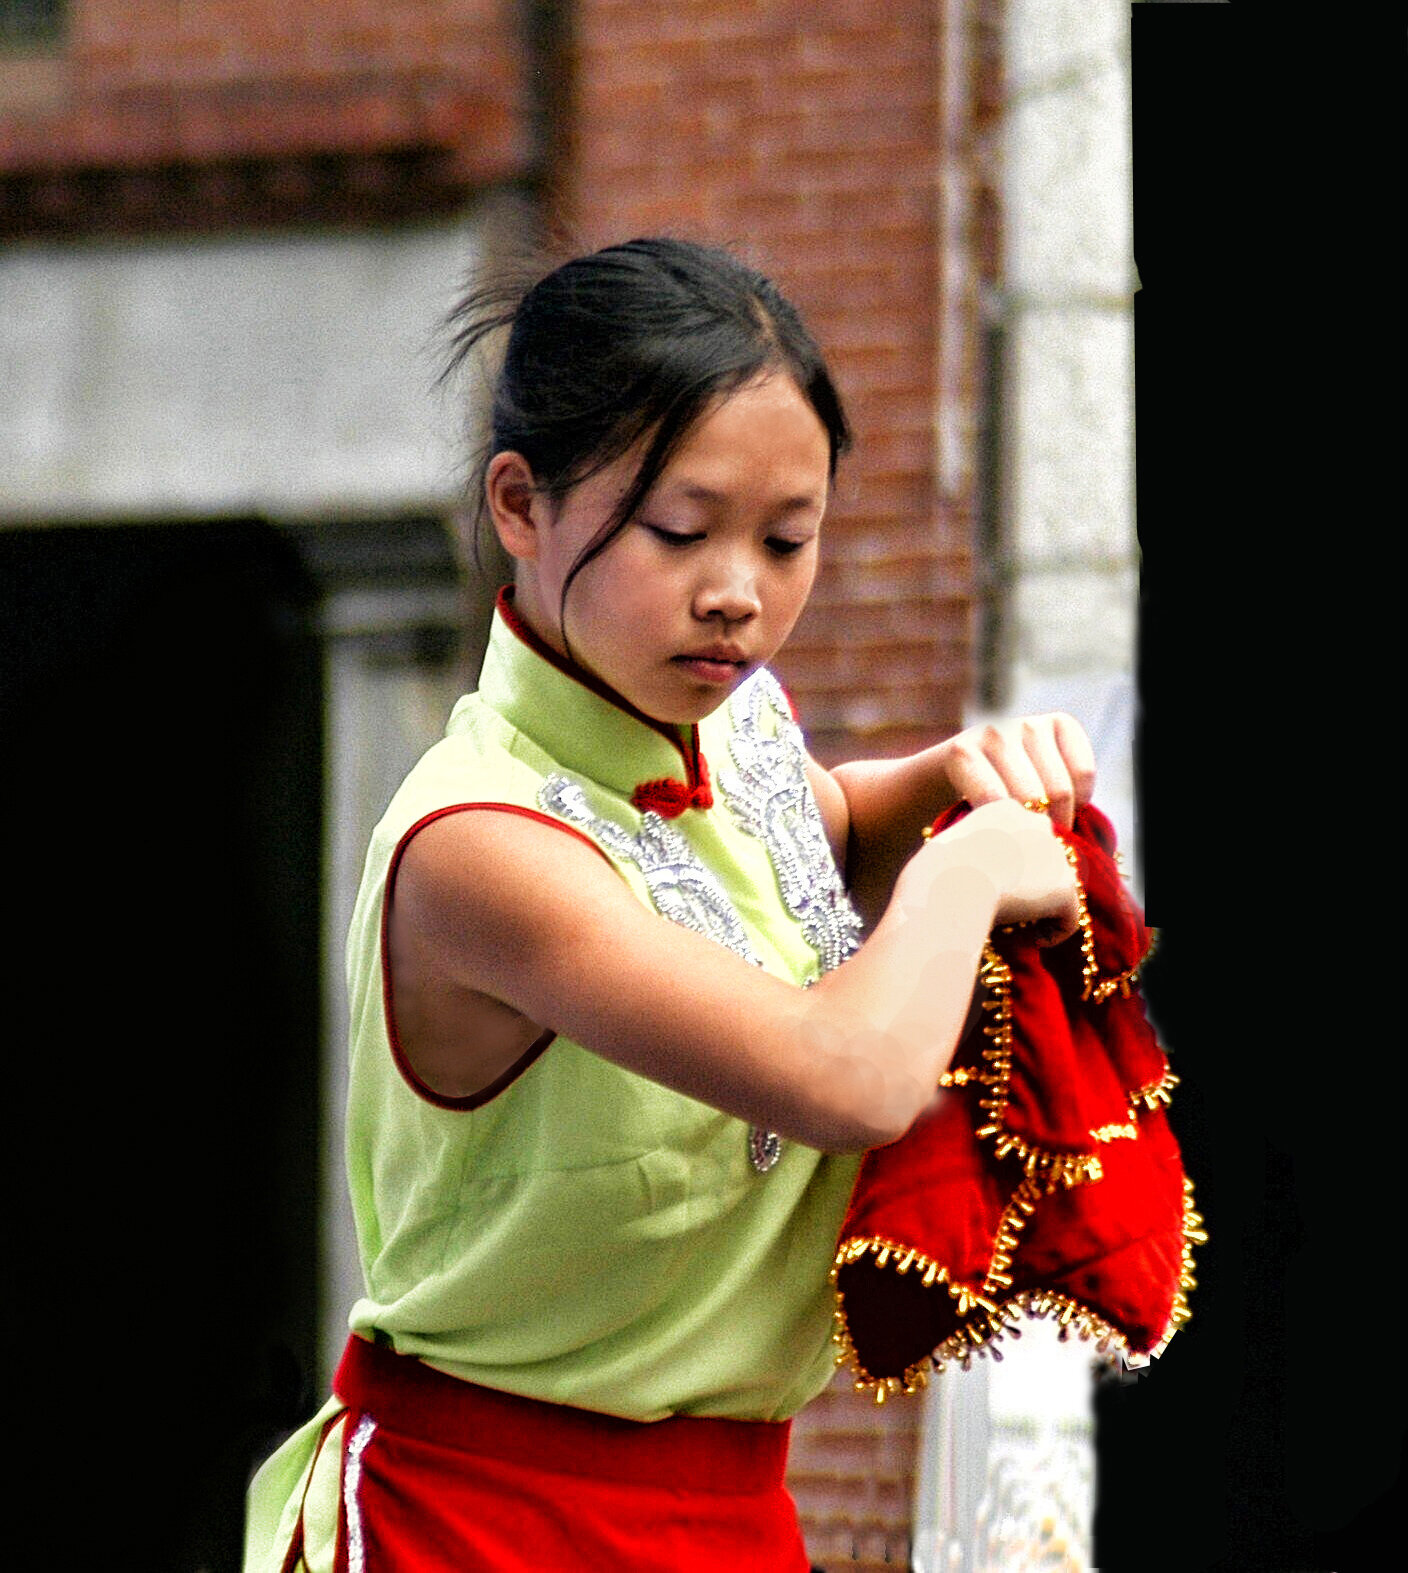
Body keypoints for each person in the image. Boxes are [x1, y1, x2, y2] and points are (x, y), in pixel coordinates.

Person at [243, 236, 1095, 1573]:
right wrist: (973, 863)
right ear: (520, 505)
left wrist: (937, 789)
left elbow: (818, 838)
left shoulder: (732, 724)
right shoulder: (480, 844)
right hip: (479, 1522)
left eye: (788, 538)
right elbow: (845, 1073)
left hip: (730, 1518)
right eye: (682, 531)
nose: (740, 593)